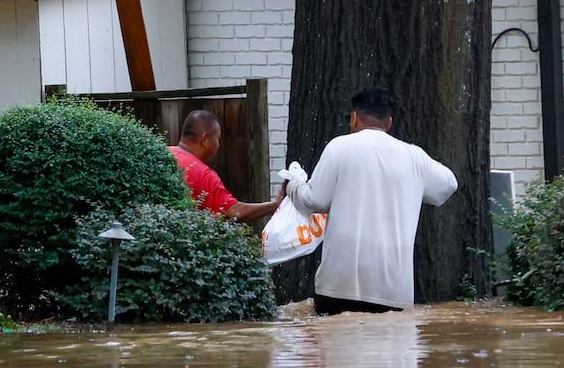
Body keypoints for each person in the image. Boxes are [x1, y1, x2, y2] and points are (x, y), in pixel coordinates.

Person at [286, 86, 458, 315]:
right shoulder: (414, 157)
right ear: (389, 123)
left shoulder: (339, 147)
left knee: (336, 345)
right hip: (394, 289)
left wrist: (292, 186)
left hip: (339, 286)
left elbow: (313, 200)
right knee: (391, 348)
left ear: (355, 118)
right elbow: (449, 184)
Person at [171, 110, 284, 222]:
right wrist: (275, 204)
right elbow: (234, 212)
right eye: (217, 139)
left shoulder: (163, 154)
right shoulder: (204, 175)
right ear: (205, 139)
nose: (218, 145)